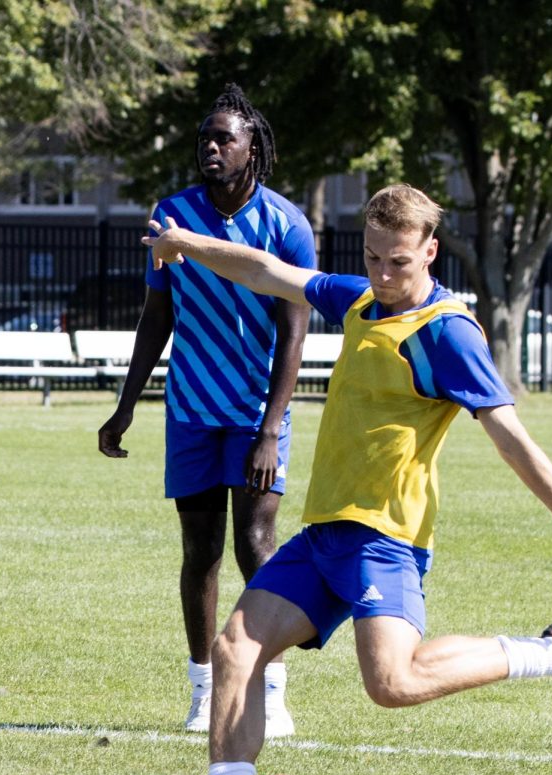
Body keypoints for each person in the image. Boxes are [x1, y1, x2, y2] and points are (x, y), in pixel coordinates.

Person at [143, 183, 552, 775]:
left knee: (394, 683)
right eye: (374, 257)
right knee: (236, 647)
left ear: (430, 252)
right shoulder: (359, 299)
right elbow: (269, 271)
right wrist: (188, 244)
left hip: (386, 540)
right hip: (325, 533)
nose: (384, 275)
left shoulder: (447, 332)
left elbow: (509, 437)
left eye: (399, 263)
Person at [97, 83, 316, 738]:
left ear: (254, 148)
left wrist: (273, 427)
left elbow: (295, 331)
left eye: (225, 138)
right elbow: (155, 314)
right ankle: (203, 690)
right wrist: (125, 406)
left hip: (255, 412)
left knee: (257, 544)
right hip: (191, 408)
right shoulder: (172, 215)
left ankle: (269, 689)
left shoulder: (286, 224)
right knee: (201, 551)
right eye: (205, 139)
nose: (212, 148)